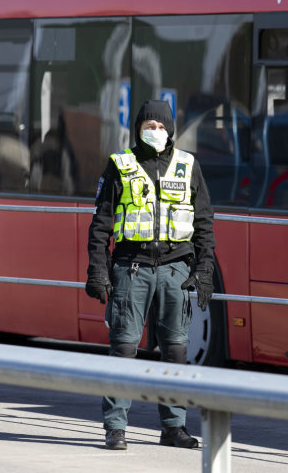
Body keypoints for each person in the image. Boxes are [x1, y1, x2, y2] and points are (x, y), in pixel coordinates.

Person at [86, 99, 216, 451]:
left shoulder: (188, 166)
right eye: (148, 125)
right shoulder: (120, 166)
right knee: (124, 347)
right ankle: (115, 428)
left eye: (160, 126)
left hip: (176, 270)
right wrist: (98, 270)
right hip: (132, 269)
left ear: (170, 130)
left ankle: (173, 427)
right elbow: (100, 225)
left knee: (175, 351)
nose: (154, 131)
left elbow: (204, 225)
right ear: (137, 128)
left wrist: (205, 270)